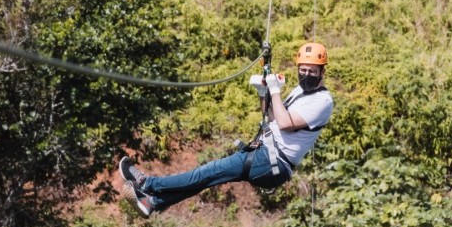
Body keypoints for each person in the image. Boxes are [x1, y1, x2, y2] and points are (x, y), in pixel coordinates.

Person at [119, 42, 333, 217]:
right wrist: (263, 93)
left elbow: (285, 123)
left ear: (322, 72)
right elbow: (272, 117)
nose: (306, 75)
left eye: (312, 71)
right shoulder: (299, 91)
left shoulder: (322, 101)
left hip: (272, 161)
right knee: (207, 179)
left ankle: (147, 183)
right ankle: (153, 202)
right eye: (302, 70)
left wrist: (275, 91)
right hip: (266, 155)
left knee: (205, 172)